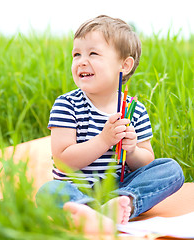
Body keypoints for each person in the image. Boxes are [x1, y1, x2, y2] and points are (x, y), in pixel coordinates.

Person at [36, 15, 184, 234]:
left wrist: (132, 150)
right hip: (76, 187)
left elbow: (146, 160)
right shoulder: (67, 104)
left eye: (93, 53)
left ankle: (122, 203)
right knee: (48, 191)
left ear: (124, 65)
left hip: (120, 186)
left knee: (171, 169)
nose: (81, 61)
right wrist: (104, 140)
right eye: (76, 54)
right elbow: (63, 160)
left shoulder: (134, 109)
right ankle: (87, 210)